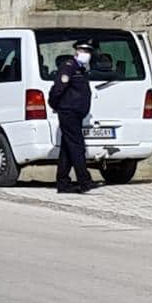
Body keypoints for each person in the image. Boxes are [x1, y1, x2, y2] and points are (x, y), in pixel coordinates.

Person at [48, 40, 96, 194]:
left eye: (88, 51)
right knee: (77, 146)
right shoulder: (69, 67)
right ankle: (84, 181)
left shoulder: (81, 69)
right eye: (83, 50)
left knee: (67, 149)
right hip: (68, 112)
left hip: (75, 113)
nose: (86, 54)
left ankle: (63, 182)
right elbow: (58, 89)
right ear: (76, 51)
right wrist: (57, 106)